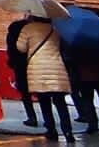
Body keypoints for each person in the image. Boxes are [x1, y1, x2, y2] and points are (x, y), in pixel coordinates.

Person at [15, 13, 75, 143]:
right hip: (56, 68)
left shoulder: (28, 28)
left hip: (38, 69)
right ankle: (68, 132)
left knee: (44, 102)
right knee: (60, 103)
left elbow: (21, 48)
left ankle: (51, 130)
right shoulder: (55, 29)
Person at [6, 16, 41, 127]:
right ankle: (48, 120)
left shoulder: (15, 29)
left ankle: (31, 117)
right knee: (41, 92)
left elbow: (11, 48)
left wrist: (12, 62)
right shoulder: (38, 29)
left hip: (20, 64)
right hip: (35, 62)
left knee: (25, 93)